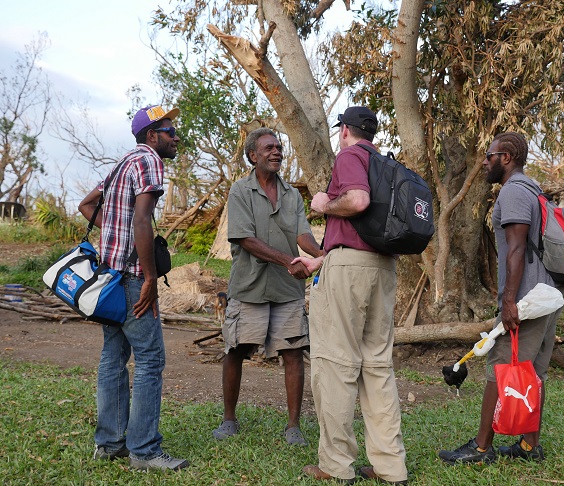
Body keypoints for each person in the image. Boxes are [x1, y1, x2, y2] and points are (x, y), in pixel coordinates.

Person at [296, 107, 408, 485]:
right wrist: (320, 261)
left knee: (335, 364)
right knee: (377, 367)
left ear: (345, 130)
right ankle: (390, 466)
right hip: (383, 268)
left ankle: (336, 465)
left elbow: (357, 201)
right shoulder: (384, 163)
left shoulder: (350, 155)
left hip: (348, 272)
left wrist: (324, 203)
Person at [438, 132, 564, 465]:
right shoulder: (534, 189)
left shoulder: (512, 192)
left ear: (506, 157)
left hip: (526, 301)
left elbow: (517, 249)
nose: (484, 161)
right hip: (548, 295)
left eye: (489, 155)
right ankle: (529, 446)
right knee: (534, 373)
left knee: (499, 367)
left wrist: (508, 301)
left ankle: (481, 448)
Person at [78, 105, 188, 471]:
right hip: (130, 278)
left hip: (108, 277)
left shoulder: (123, 163)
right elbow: (142, 219)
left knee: (113, 358)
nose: (175, 136)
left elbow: (87, 204)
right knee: (150, 359)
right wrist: (151, 278)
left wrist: (112, 231)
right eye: (169, 130)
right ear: (152, 136)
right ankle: (144, 451)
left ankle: (108, 444)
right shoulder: (150, 162)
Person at [212, 127, 322, 446]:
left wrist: (320, 253)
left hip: (287, 290)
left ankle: (293, 427)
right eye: (269, 148)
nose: (276, 152)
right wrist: (290, 261)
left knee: (292, 353)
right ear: (253, 156)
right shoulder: (240, 191)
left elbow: (302, 234)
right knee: (235, 351)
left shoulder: (291, 194)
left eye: (278, 147)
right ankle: (229, 419)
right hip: (249, 287)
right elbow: (245, 240)